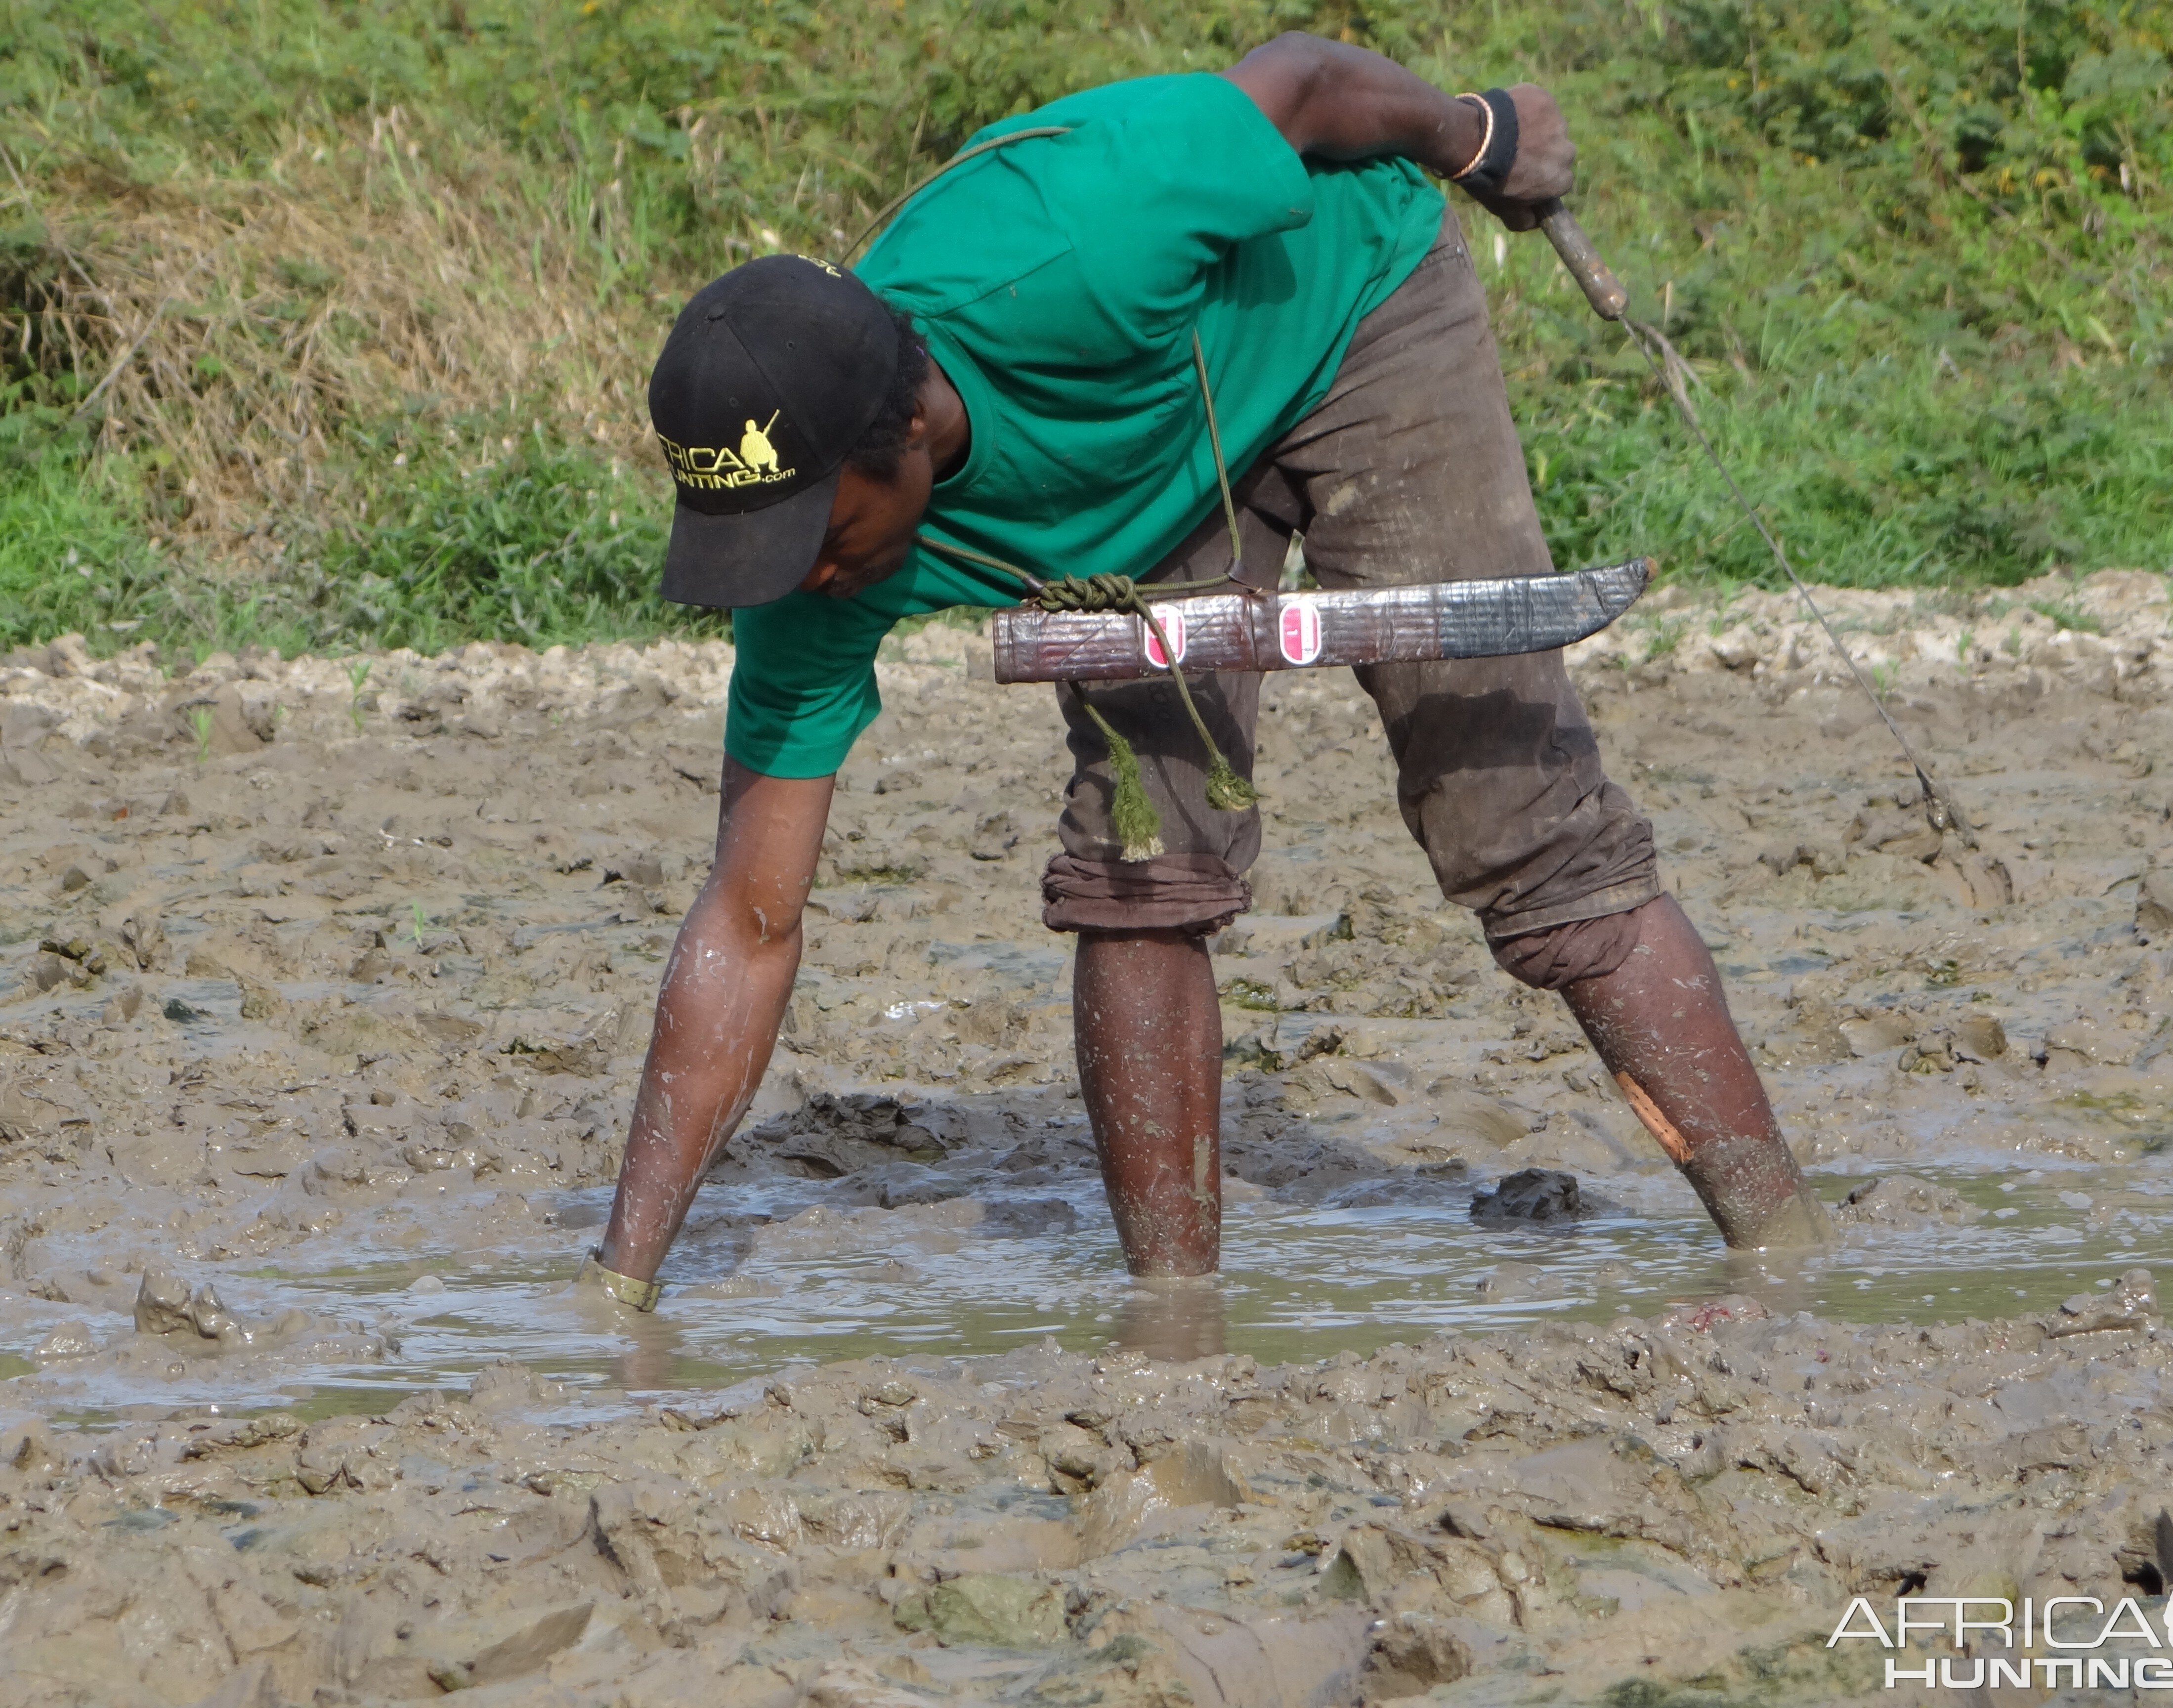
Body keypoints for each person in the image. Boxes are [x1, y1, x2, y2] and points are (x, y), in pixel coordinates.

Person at [577, 32, 1829, 1313]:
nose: (800, 577)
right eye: (759, 548)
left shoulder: (1079, 237)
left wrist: (1475, 138)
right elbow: (750, 915)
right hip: (1154, 477)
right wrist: (620, 1283)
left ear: (902, 429)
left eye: (816, 534)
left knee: (1523, 822)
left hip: (1354, 321)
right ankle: (1174, 1328)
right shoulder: (810, 563)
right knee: (1139, 863)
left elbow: (1301, 81)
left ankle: (1786, 1254)